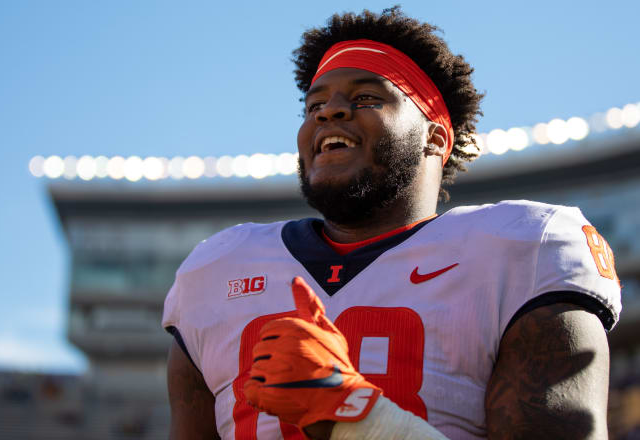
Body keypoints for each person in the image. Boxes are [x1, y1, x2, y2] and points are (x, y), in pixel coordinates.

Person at [162, 7, 621, 439]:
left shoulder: (525, 249)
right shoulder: (215, 270)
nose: (327, 112)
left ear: (435, 137)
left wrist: (356, 417)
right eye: (313, 106)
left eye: (365, 97)